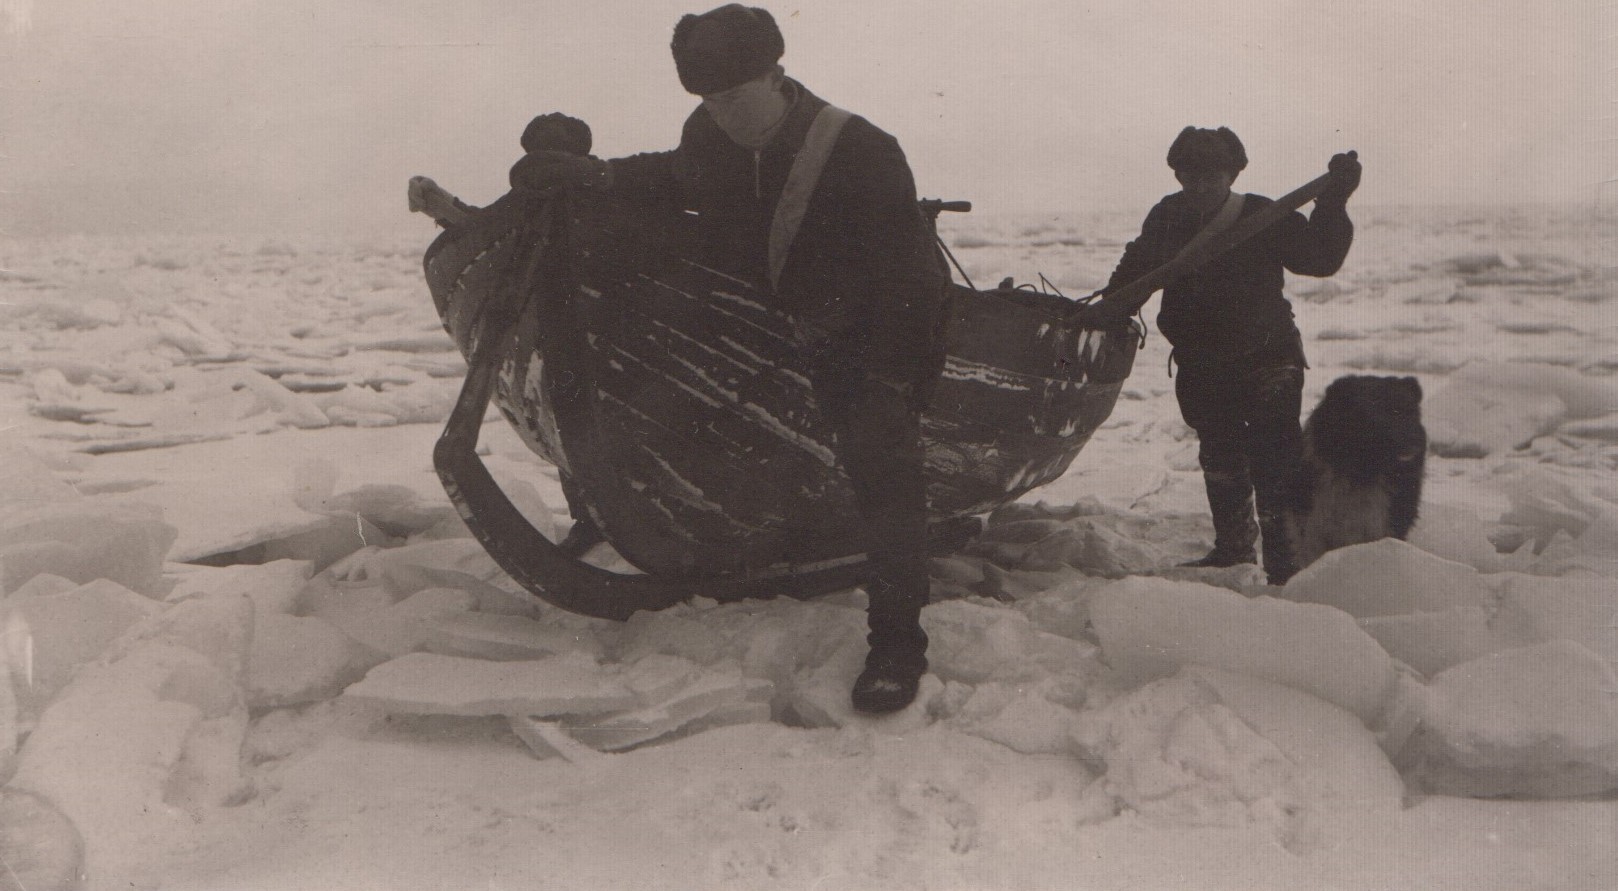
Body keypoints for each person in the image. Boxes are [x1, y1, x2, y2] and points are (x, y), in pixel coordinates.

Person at [507, 4, 951, 713]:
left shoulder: (860, 149)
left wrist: (890, 381)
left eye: (735, 97)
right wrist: (596, 177)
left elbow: (911, 281)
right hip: (769, 327)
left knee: (884, 466)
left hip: (869, 337)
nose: (723, 113)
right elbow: (678, 178)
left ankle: (898, 643)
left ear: (777, 76)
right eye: (709, 101)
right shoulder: (708, 131)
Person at [1086, 126, 1360, 585]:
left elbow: (1319, 259)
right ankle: (1232, 552)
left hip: (1268, 357)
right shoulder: (1168, 216)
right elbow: (1137, 267)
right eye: (1188, 174)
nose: (1199, 185)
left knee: (1274, 458)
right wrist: (1107, 312)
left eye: (1211, 175)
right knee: (1220, 457)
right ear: (1176, 174)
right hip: (1202, 362)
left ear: (1233, 173)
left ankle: (1285, 564)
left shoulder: (1263, 214)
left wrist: (1332, 203)